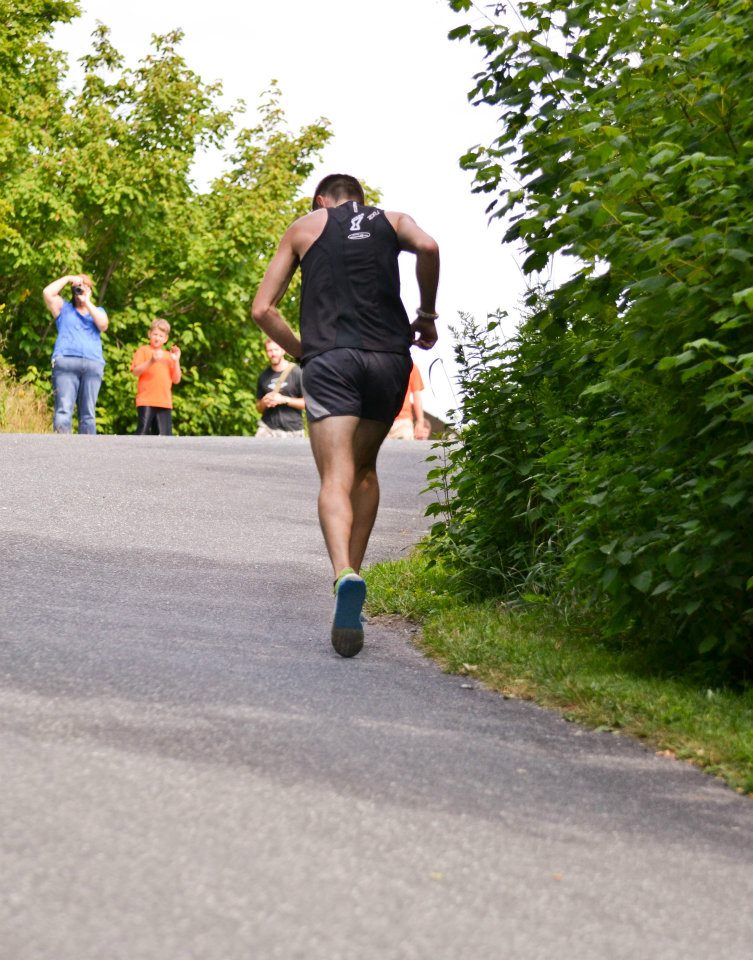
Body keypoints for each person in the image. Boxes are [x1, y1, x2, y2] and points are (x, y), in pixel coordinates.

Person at [252, 172, 439, 658]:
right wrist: (426, 315)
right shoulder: (392, 220)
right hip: (389, 360)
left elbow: (262, 309)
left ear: (321, 201)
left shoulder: (305, 227)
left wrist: (304, 351)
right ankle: (352, 579)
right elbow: (429, 247)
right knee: (364, 471)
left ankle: (344, 575)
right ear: (360, 198)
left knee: (335, 476)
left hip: (332, 360)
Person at [42, 273, 108, 434]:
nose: (81, 290)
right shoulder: (63, 308)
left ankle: (86, 449)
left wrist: (87, 302)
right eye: (78, 288)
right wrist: (68, 278)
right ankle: (62, 447)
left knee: (88, 414)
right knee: (64, 410)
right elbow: (47, 293)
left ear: (90, 290)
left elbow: (103, 325)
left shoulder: (97, 311)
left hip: (92, 363)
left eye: (85, 287)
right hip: (66, 361)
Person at [130, 319, 182, 435]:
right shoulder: (143, 350)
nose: (157, 338)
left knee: (164, 438)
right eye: (155, 334)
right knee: (142, 433)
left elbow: (176, 380)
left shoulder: (169, 356)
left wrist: (176, 361)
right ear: (149, 334)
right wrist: (152, 361)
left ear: (166, 338)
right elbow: (135, 372)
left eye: (161, 336)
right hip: (146, 401)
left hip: (164, 402)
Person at [255, 338, 306, 438]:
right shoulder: (263, 376)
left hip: (293, 430)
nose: (273, 353)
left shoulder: (297, 373)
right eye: (270, 350)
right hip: (268, 428)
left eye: (276, 350)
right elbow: (258, 408)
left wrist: (284, 400)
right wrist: (264, 402)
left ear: (283, 351)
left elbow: (307, 403)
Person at [388, 361, 430, 440]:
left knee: (404, 447)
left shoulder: (411, 367)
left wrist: (420, 421)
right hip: (379, 419)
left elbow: (416, 396)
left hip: (402, 421)